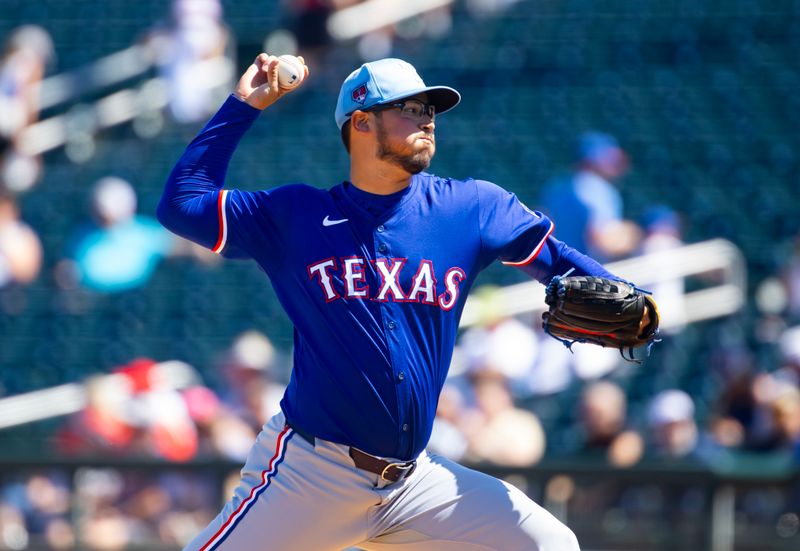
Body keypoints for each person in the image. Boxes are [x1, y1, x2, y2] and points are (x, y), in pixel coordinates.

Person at [158, 54, 655, 551]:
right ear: (361, 121)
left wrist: (642, 306)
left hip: (414, 483)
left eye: (429, 109)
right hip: (313, 475)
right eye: (409, 108)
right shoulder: (294, 216)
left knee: (550, 545)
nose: (427, 120)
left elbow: (557, 259)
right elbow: (181, 203)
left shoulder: (470, 208)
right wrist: (246, 104)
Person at [539, 131, 641, 263]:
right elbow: (604, 241)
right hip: (586, 270)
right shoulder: (597, 188)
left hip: (555, 267)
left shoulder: (556, 188)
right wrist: (635, 235)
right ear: (591, 160)